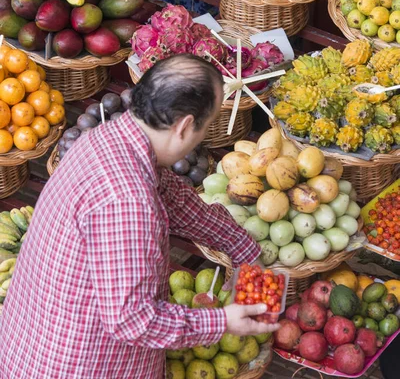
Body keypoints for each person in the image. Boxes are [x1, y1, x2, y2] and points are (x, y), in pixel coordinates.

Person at [0, 54, 278, 378]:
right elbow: (132, 321)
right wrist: (224, 321)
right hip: (74, 365)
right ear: (185, 126)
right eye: (206, 126)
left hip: (35, 338)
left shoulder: (108, 139)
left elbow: (177, 201)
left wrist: (242, 248)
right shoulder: (129, 201)